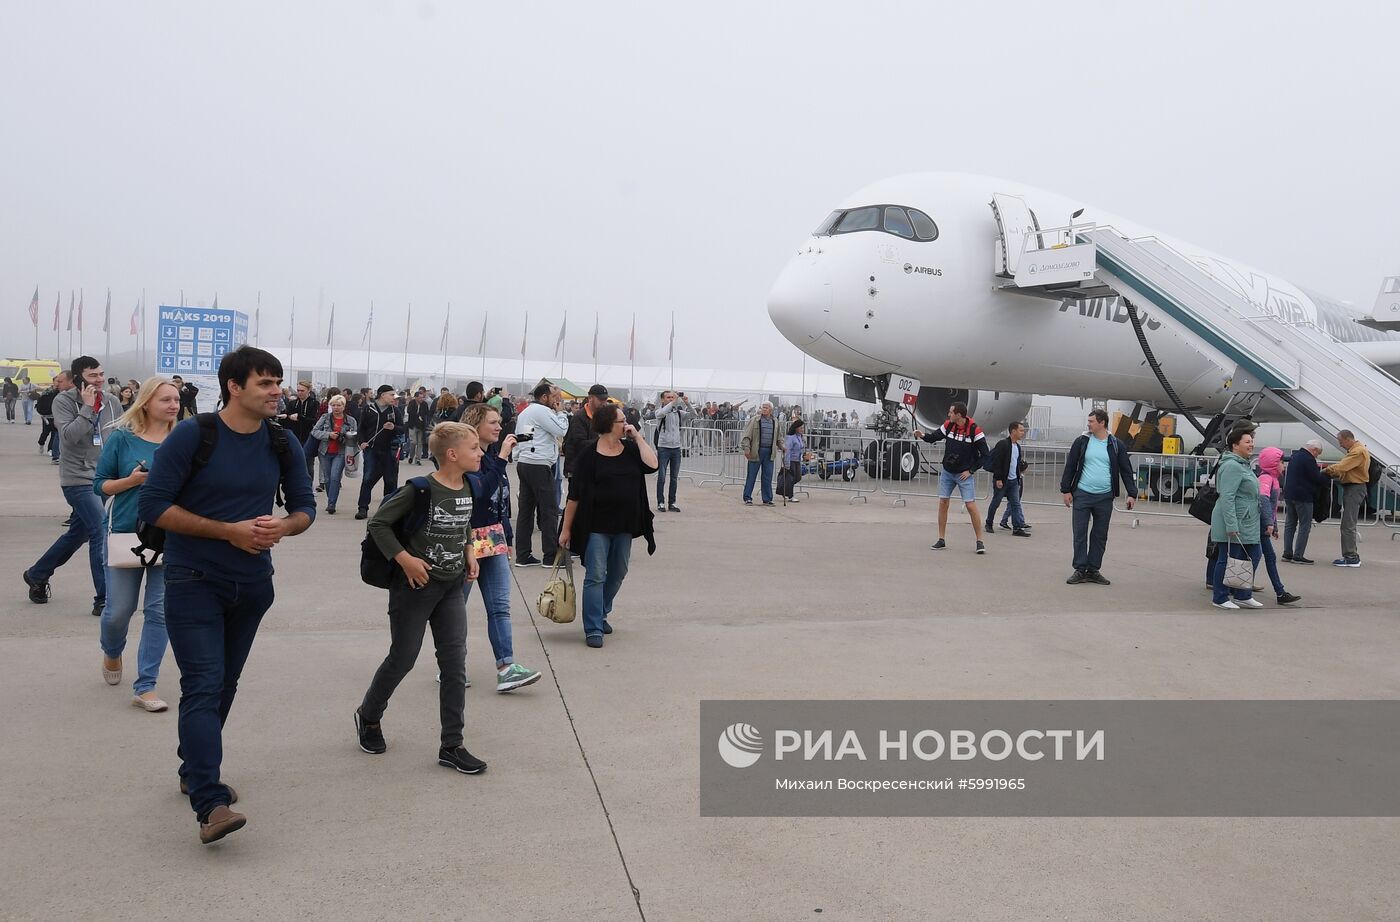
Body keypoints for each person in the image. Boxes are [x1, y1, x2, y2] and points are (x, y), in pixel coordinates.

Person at [138, 346, 316, 844]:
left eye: (278, 382)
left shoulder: (281, 441)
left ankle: (192, 766)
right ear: (234, 386)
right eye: (265, 383)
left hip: (254, 584)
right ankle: (209, 802)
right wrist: (227, 532)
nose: (276, 391)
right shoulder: (195, 435)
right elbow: (154, 505)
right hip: (193, 578)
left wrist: (283, 526)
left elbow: (305, 508)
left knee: (225, 685)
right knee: (202, 683)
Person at [354, 422, 487, 776]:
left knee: (455, 665)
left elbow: (464, 524)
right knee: (403, 658)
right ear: (452, 454)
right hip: (414, 588)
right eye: (474, 448)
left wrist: (470, 553)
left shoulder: (471, 484)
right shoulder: (419, 490)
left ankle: (452, 745)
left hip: (451, 586)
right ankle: (369, 716)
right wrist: (406, 559)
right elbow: (378, 524)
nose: (481, 452)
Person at [94, 376, 181, 712]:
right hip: (126, 533)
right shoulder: (122, 439)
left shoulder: (183, 440)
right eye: (166, 400)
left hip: (171, 537)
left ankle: (146, 685)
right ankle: (112, 650)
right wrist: (131, 481)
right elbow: (99, 486)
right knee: (118, 611)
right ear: (146, 402)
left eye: (176, 399)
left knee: (159, 612)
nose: (173, 405)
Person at [23, 357, 123, 615]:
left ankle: (37, 573)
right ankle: (104, 599)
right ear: (79, 378)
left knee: (78, 534)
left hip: (103, 478)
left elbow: (120, 435)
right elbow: (68, 436)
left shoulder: (112, 402)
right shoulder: (64, 401)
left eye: (101, 374)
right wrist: (87, 408)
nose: (99, 380)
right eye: (93, 376)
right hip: (77, 478)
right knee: (99, 531)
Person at [559, 404, 658, 648]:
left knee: (618, 571)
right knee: (595, 575)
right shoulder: (588, 455)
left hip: (625, 523)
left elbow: (652, 465)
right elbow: (575, 495)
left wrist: (638, 436)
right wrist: (566, 528)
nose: (627, 425)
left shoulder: (632, 449)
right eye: (622, 421)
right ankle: (593, 626)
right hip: (595, 525)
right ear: (607, 425)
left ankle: (601, 610)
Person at [460, 404, 542, 691]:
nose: (499, 427)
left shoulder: (493, 456)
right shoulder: (465, 458)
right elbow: (481, 490)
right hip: (466, 538)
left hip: (493, 537)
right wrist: (504, 458)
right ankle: (451, 666)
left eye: (499, 422)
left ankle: (506, 667)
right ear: (475, 424)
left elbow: (502, 501)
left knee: (500, 607)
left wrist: (506, 538)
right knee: (455, 608)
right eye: (492, 422)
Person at [1059, 409, 1138, 585]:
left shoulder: (1116, 444)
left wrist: (1132, 493)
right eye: (1088, 421)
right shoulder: (1081, 442)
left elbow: (1126, 470)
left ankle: (1093, 570)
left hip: (1104, 497)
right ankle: (1080, 569)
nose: (1088, 424)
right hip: (1082, 494)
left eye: (1092, 421)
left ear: (1102, 423)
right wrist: (1066, 490)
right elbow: (1070, 466)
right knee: (1080, 533)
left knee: (1100, 535)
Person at [915, 402, 991, 553]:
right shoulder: (948, 425)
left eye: (951, 412)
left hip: (964, 474)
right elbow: (934, 437)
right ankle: (941, 539)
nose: (948, 414)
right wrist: (922, 435)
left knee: (970, 506)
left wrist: (971, 471)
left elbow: (986, 455)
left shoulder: (975, 430)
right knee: (943, 503)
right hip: (948, 472)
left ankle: (980, 541)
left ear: (959, 415)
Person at [512, 382, 570, 567]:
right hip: (539, 464)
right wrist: (561, 413)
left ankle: (523, 555)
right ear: (544, 397)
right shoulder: (542, 411)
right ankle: (550, 555)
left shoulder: (525, 412)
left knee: (526, 511)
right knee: (549, 511)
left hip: (525, 463)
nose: (557, 401)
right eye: (554, 397)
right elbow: (561, 430)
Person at [1209, 428, 1264, 609]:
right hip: (1234, 520)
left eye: (1251, 441)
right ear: (1235, 445)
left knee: (1253, 555)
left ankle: (1242, 594)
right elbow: (1227, 496)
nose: (1251, 445)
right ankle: (1220, 597)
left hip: (1247, 519)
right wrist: (1231, 524)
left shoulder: (1243, 464)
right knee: (1228, 558)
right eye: (1247, 442)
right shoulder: (1232, 466)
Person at [1254, 446, 1301, 605]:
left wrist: (1274, 525)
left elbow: (1271, 506)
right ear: (1273, 463)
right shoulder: (1266, 478)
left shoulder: (1272, 479)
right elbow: (1263, 500)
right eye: (1281, 462)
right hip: (1260, 526)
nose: (1284, 465)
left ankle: (1279, 592)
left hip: (1264, 525)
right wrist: (1269, 523)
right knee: (1258, 557)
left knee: (1264, 557)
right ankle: (1278, 592)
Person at [356, 385, 405, 520]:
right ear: (382, 395)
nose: (393, 398)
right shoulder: (368, 409)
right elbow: (361, 428)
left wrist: (394, 427)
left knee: (390, 480)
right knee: (368, 478)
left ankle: (387, 510)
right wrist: (362, 442)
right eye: (391, 395)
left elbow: (402, 429)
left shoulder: (395, 411)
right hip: (371, 449)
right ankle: (362, 508)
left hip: (390, 450)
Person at [1324, 429, 1371, 568]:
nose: (1340, 445)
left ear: (1347, 439)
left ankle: (1351, 557)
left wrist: (1325, 471)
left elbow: (1342, 467)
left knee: (1348, 524)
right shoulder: (1357, 450)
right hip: (1353, 488)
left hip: (1355, 488)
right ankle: (1350, 556)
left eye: (1340, 441)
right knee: (1348, 523)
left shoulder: (1357, 452)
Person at [311, 394, 358, 514]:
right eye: (334, 405)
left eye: (339, 405)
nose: (336, 408)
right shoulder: (325, 417)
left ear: (344, 406)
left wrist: (347, 438)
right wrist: (328, 435)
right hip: (324, 451)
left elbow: (355, 437)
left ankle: (331, 503)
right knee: (327, 479)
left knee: (335, 477)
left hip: (341, 452)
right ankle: (330, 498)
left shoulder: (351, 420)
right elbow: (315, 431)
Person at [1282, 439, 1326, 564]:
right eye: (1318, 453)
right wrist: (1326, 476)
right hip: (1303, 496)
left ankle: (1287, 553)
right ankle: (1298, 555)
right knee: (1304, 526)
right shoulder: (1309, 459)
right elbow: (1316, 478)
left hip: (1290, 495)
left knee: (1290, 524)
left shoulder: (1295, 456)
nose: (1317, 456)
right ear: (1314, 450)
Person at [985, 420, 1031, 537]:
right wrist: (998, 478)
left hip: (1014, 481)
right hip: (1002, 480)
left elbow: (1016, 463)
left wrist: (1018, 476)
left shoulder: (1018, 447)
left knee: (1015, 503)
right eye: (1020, 430)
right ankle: (989, 523)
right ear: (1013, 431)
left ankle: (1017, 528)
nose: (1022, 433)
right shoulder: (1003, 444)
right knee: (996, 502)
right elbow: (997, 462)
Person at [740, 402, 784, 506]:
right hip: (756, 451)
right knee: (751, 476)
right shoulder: (755, 420)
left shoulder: (775, 422)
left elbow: (779, 437)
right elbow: (747, 436)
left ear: (771, 410)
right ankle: (747, 497)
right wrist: (746, 449)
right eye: (763, 407)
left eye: (766, 408)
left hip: (769, 452)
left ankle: (767, 499)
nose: (764, 409)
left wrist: (782, 446)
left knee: (767, 477)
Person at [653, 390, 691, 512]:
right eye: (668, 397)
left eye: (672, 397)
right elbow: (663, 412)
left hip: (676, 448)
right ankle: (660, 502)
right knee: (662, 477)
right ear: (662, 400)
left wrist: (687, 404)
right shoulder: (660, 412)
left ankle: (672, 502)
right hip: (664, 448)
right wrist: (674, 402)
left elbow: (693, 415)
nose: (671, 399)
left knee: (674, 477)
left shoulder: (678, 412)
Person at [564, 384, 609, 480]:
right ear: (590, 398)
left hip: (597, 467)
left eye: (605, 399)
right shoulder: (579, 417)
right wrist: (604, 440)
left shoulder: (604, 416)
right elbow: (580, 443)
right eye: (601, 399)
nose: (604, 402)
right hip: (579, 468)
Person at [779, 419, 812, 503]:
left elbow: (802, 448)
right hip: (791, 459)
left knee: (798, 477)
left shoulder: (800, 437)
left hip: (798, 460)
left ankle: (785, 490)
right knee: (791, 477)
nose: (802, 429)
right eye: (801, 428)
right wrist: (787, 463)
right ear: (796, 428)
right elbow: (788, 450)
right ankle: (790, 495)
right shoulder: (790, 438)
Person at [406, 389, 431, 464]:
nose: (422, 399)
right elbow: (409, 411)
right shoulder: (412, 403)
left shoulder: (425, 404)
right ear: (416, 397)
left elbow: (427, 413)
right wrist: (418, 416)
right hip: (413, 425)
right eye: (420, 398)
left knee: (420, 443)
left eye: (423, 397)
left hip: (421, 426)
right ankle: (411, 456)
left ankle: (418, 459)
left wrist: (423, 419)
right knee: (413, 442)